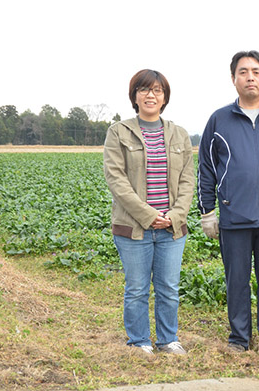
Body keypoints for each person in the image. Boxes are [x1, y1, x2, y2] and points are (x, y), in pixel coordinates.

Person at [196, 50, 259, 360]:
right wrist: (208, 212)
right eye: (243, 72)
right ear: (233, 79)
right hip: (233, 216)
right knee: (236, 281)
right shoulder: (219, 120)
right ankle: (239, 339)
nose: (249, 76)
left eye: (255, 71)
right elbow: (206, 168)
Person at [103, 69, 195, 355]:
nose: (150, 95)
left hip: (171, 228)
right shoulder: (119, 131)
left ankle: (168, 340)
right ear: (135, 96)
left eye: (157, 90)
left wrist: (175, 215)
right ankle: (139, 341)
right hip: (134, 228)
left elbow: (187, 180)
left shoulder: (179, 134)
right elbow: (116, 179)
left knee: (168, 288)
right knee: (137, 288)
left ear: (164, 97)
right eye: (144, 89)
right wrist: (147, 215)